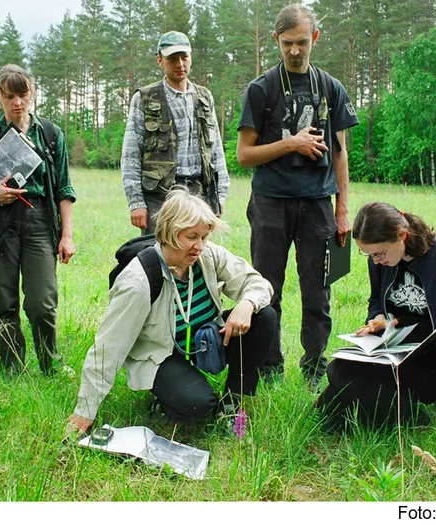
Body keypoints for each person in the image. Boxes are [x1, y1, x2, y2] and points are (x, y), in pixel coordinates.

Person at [66, 188, 275, 434]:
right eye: (191, 237)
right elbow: (108, 348)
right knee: (197, 405)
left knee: (264, 316)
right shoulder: (138, 281)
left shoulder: (207, 256)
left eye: (204, 237)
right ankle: (162, 399)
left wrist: (246, 304)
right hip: (162, 353)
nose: (199, 246)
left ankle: (232, 403)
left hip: (202, 340)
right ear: (169, 232)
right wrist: (84, 412)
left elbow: (258, 284)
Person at [236, 4, 359, 386]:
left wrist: (342, 210)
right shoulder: (261, 89)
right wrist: (290, 144)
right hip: (271, 203)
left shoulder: (330, 88)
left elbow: (340, 152)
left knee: (318, 290)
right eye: (287, 43)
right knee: (266, 289)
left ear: (315, 39)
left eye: (301, 42)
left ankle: (315, 367)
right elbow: (244, 155)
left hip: (319, 205)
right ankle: (269, 367)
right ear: (276, 40)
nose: (294, 50)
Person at [316, 202, 436, 430]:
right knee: (340, 368)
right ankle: (388, 415)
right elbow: (376, 301)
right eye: (369, 255)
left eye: (379, 253)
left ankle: (412, 418)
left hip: (433, 355)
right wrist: (378, 318)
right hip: (393, 345)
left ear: (402, 235)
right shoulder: (379, 261)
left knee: (363, 386)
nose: (375, 261)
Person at [0, 65, 76, 377]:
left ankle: (50, 363)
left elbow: (65, 189)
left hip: (40, 220)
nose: (17, 102)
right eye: (9, 95)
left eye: (22, 94)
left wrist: (66, 236)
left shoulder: (51, 135)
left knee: (42, 303)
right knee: (5, 301)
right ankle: (11, 370)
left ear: (32, 93)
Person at [121, 31, 230, 235]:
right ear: (160, 60)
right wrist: (136, 201)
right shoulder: (144, 98)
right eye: (172, 58)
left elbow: (216, 150)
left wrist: (220, 195)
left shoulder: (204, 97)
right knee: (157, 257)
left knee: (196, 256)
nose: (180, 63)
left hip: (200, 193)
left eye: (184, 57)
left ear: (191, 58)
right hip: (159, 197)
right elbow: (131, 153)